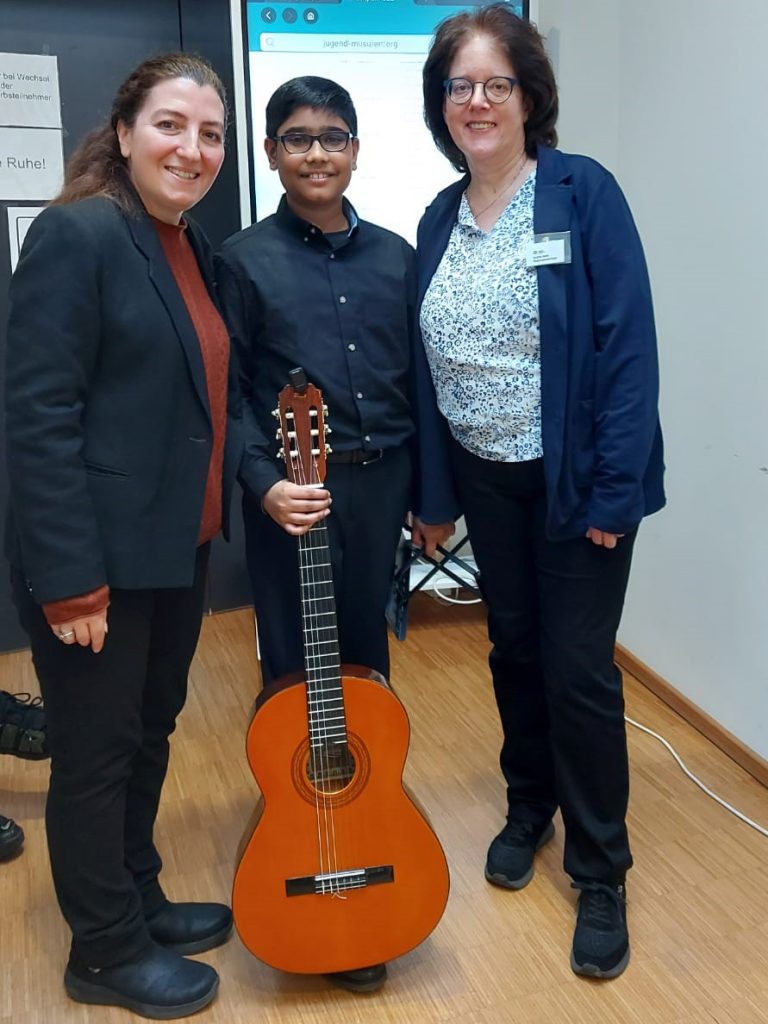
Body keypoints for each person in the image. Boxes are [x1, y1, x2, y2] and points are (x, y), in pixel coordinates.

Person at [412, 5, 665, 980]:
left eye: (496, 83)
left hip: (576, 484)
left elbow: (627, 350)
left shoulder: (579, 193)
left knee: (578, 671)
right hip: (485, 476)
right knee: (511, 647)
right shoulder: (441, 214)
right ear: (443, 105)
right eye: (459, 86)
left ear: (529, 96)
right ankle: (531, 805)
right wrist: (438, 493)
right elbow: (431, 368)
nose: (477, 102)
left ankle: (601, 869)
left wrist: (612, 495)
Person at [5, 53, 241, 1019]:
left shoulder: (182, 241)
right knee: (96, 754)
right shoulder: (77, 233)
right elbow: (37, 414)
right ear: (126, 130)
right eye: (172, 125)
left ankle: (135, 893)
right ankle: (100, 950)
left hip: (173, 548)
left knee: (149, 732)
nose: (193, 148)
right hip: (96, 562)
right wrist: (68, 581)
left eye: (211, 134)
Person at [217, 76, 415, 993]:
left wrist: (432, 495)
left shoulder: (397, 256)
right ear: (271, 153)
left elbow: (422, 384)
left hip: (380, 492)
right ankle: (298, 827)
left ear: (358, 148)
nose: (317, 154)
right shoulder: (241, 260)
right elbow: (228, 396)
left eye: (334, 137)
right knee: (294, 665)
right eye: (297, 138)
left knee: (368, 666)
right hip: (296, 494)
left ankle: (361, 825)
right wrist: (263, 485)